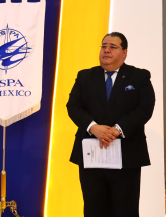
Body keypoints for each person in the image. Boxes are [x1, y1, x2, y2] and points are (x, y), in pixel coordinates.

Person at [66, 32, 155, 217]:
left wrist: (117, 130)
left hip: (126, 154)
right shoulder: (85, 76)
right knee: (94, 209)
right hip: (92, 156)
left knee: (125, 209)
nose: (106, 50)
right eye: (103, 46)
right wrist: (93, 127)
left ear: (124, 52)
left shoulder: (139, 77)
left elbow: (145, 109)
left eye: (112, 47)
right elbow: (73, 106)